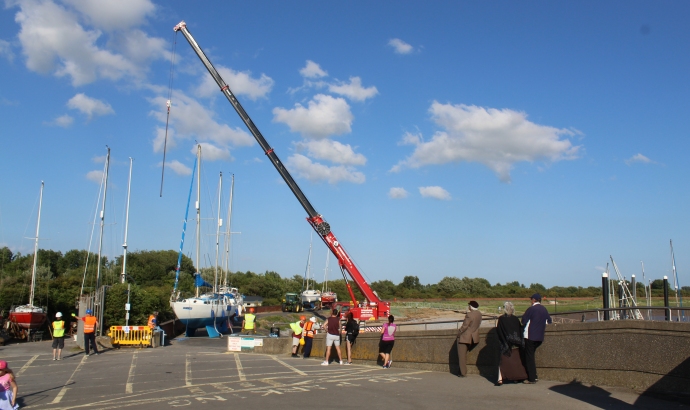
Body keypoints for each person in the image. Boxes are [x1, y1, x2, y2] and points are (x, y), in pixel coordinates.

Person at [521, 293, 552, 384]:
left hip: (530, 336)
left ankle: (532, 378)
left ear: (534, 300)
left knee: (529, 358)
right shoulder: (544, 309)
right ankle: (534, 376)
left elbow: (523, 321)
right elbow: (549, 321)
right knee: (531, 356)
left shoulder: (531, 309)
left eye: (531, 299)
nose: (530, 300)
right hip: (540, 337)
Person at [496, 301, 527, 385]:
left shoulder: (501, 319)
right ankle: (517, 377)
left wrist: (504, 341)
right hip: (516, 343)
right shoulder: (515, 319)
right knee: (516, 361)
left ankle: (500, 378)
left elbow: (499, 331)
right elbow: (519, 330)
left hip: (505, 343)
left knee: (503, 361)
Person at [457, 301, 482, 377]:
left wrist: (459, 333)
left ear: (470, 306)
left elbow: (465, 326)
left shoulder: (469, 314)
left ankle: (463, 372)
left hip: (465, 337)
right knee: (464, 354)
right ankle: (462, 371)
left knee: (462, 356)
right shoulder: (479, 314)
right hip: (474, 337)